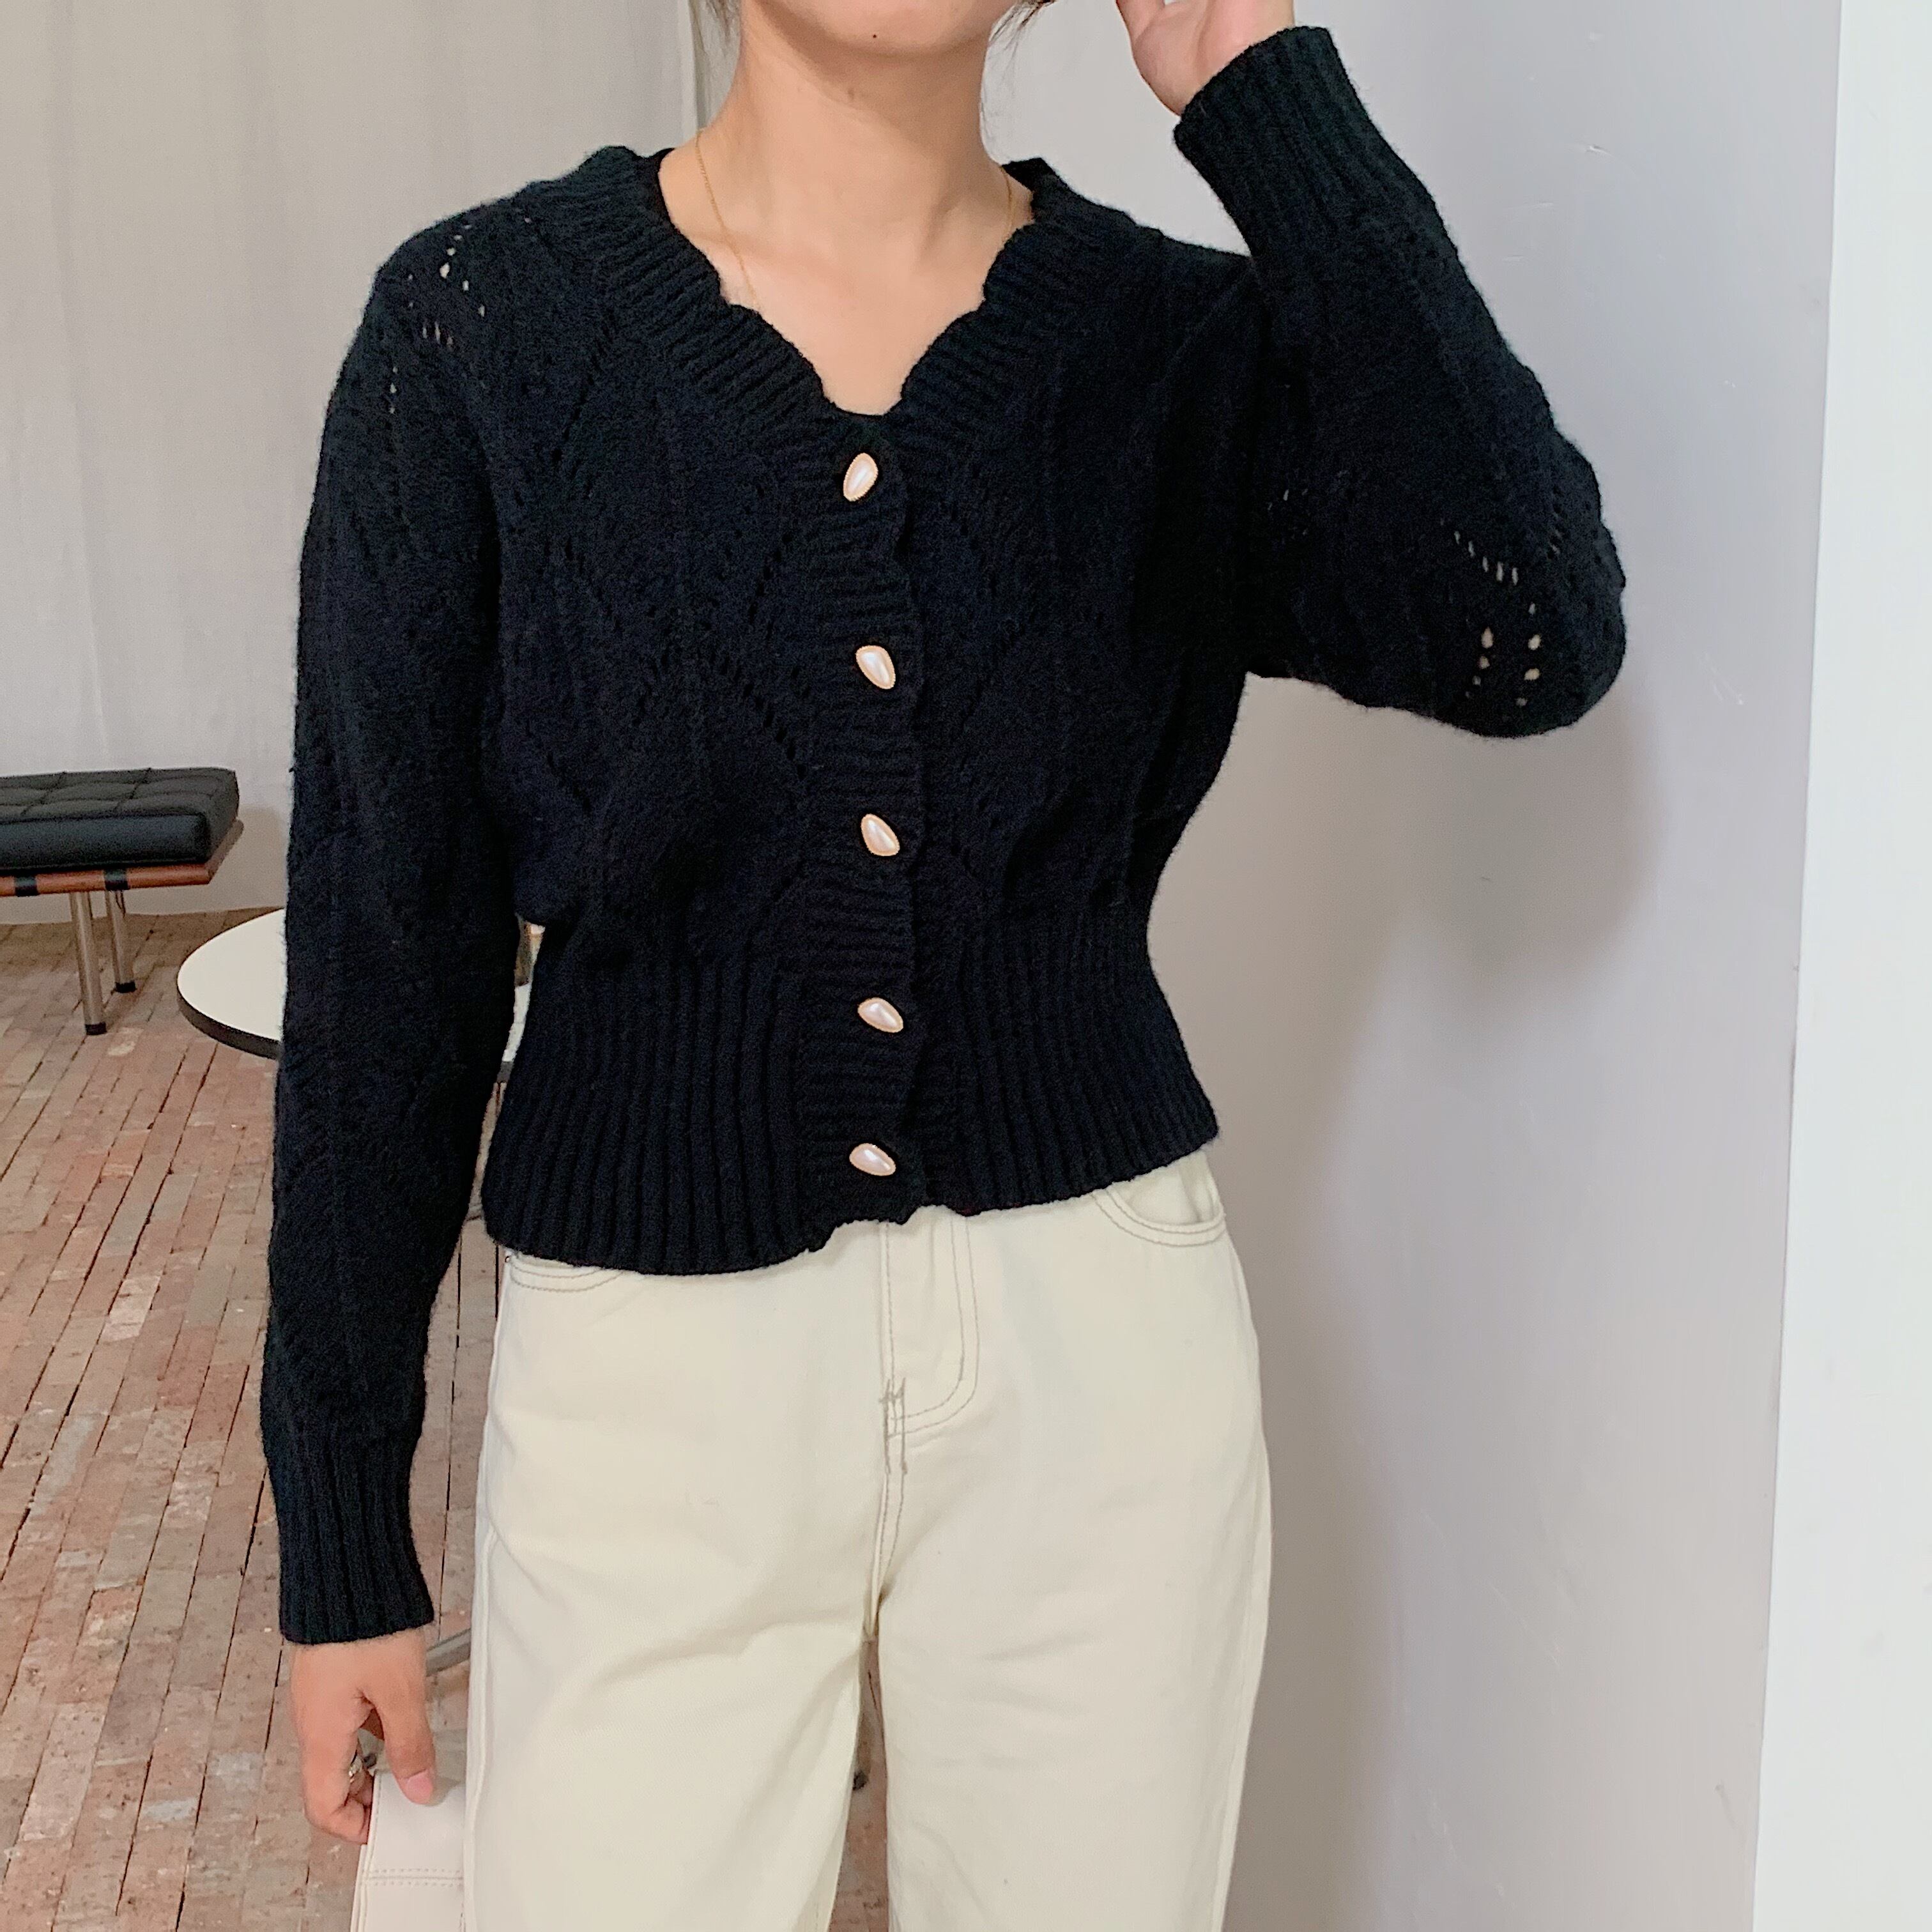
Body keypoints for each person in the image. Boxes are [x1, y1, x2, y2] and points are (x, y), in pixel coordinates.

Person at [263, 0, 1627, 1922]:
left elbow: (1531, 628)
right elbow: (383, 963)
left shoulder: (1167, 346)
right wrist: (342, 1529)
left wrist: (1256, 81)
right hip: (653, 1365)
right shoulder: (481, 331)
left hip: (1100, 1354)